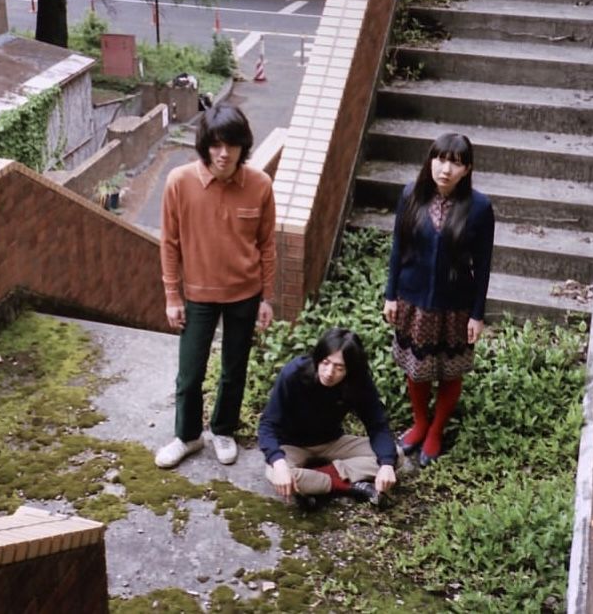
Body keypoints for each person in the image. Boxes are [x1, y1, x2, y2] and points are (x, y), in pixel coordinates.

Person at [155, 103, 276, 468]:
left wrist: (266, 298)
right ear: (205, 145)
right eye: (216, 145)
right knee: (189, 373)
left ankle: (223, 430)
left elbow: (267, 244)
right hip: (197, 295)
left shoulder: (260, 185)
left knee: (234, 369)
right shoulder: (180, 182)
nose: (224, 154)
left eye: (232, 145)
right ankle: (188, 436)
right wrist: (172, 296)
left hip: (245, 293)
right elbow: (169, 243)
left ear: (243, 146)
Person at [383, 133, 494, 467]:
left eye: (456, 163)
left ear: (467, 169)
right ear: (430, 160)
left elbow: (484, 264)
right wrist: (391, 295)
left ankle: (436, 429)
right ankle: (419, 422)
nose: (445, 169)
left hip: (454, 305)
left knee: (449, 370)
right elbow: (398, 249)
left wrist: (477, 314)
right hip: (413, 299)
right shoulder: (410, 196)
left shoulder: (479, 208)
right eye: (440, 159)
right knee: (416, 368)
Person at [258, 328, 401, 510]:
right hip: (291, 444)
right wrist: (279, 465)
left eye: (339, 367)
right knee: (273, 472)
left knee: (395, 455)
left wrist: (387, 464)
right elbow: (267, 425)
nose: (329, 372)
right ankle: (349, 486)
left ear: (350, 369)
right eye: (325, 362)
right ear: (318, 358)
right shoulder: (294, 374)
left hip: (332, 441)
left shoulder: (358, 381)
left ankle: (320, 480)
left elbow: (377, 425)